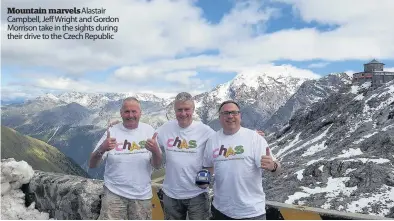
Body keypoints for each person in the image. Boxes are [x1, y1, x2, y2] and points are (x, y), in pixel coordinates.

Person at [202, 100, 281, 220]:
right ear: (220, 117)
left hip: (252, 213)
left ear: (240, 115)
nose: (230, 116)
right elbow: (208, 167)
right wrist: (203, 181)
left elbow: (278, 171)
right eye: (226, 113)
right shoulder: (212, 140)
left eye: (234, 113)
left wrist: (273, 166)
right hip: (220, 210)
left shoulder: (255, 138)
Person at [88, 97, 162, 220]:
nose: (130, 115)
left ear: (140, 113)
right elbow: (92, 164)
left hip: (142, 196)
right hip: (113, 195)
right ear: (121, 113)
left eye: (134, 111)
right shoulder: (112, 131)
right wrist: (102, 148)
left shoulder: (149, 130)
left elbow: (157, 164)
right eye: (127, 111)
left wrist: (155, 151)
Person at [155, 92, 215, 220]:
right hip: (171, 194)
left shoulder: (205, 131)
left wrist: (248, 137)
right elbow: (145, 139)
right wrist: (120, 127)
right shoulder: (166, 128)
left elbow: (223, 146)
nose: (183, 113)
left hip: (197, 194)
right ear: (174, 110)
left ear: (193, 109)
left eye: (187, 109)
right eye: (179, 110)